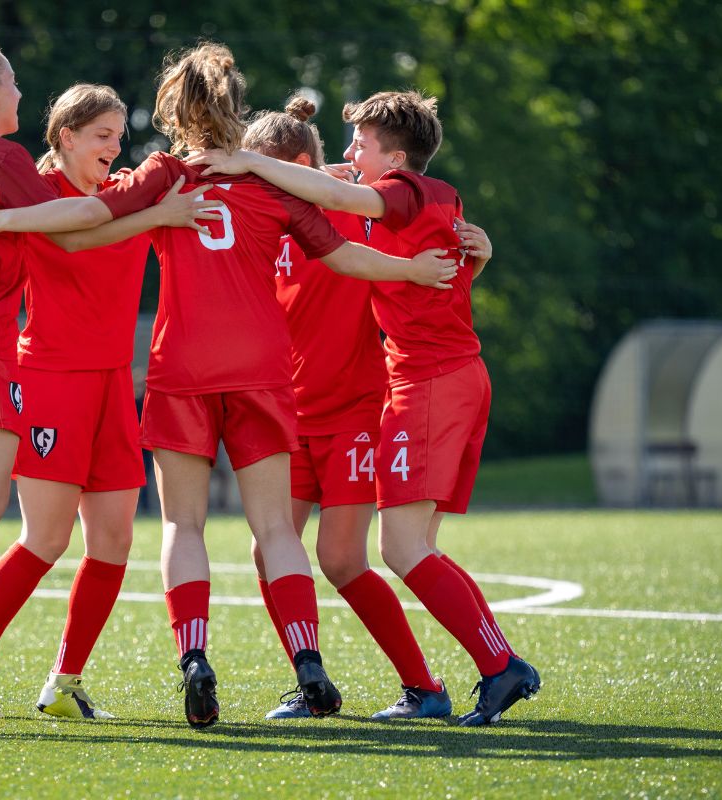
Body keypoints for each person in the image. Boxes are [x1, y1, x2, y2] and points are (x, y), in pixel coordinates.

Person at [0, 43, 459, 728]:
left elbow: (89, 216)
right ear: (236, 107)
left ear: (173, 109)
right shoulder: (269, 180)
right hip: (261, 370)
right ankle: (308, 659)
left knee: (181, 524)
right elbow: (344, 255)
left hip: (182, 369)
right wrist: (414, 270)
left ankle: (194, 657)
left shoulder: (165, 174)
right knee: (275, 527)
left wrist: (1, 215)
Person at [0, 31, 216, 721]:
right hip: (40, 373)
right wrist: (153, 212)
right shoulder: (33, 185)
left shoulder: (113, 188)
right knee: (37, 534)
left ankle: (61, 680)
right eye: (101, 134)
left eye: (119, 135)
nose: (114, 145)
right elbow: (78, 231)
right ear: (64, 136)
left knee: (113, 538)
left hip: (104, 381)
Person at [189, 89, 541, 726]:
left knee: (349, 557)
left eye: (260, 169)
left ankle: (430, 685)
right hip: (286, 411)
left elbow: (421, 259)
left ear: (293, 167)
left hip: (356, 409)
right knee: (271, 550)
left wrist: (473, 257)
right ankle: (313, 678)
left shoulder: (357, 210)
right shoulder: (259, 214)